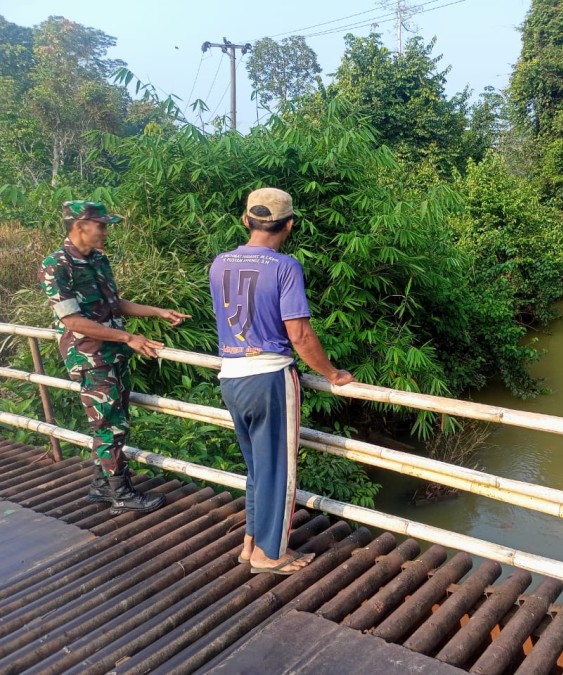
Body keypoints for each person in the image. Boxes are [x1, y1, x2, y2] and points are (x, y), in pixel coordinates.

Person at [210, 187, 355, 575]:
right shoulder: (285, 266)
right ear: (289, 225)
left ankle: (251, 544)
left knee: (258, 468)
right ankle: (270, 555)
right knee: (279, 469)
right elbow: (300, 335)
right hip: (270, 377)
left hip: (231, 377)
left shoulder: (220, 263)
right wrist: (333, 373)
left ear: (246, 221)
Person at [39, 200, 191, 514]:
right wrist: (129, 337)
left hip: (113, 353)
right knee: (109, 425)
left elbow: (114, 303)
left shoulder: (98, 259)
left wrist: (156, 312)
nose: (106, 231)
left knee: (114, 422)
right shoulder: (56, 264)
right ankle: (120, 493)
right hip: (90, 357)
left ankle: (100, 486)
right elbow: (73, 321)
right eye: (102, 225)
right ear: (80, 226)